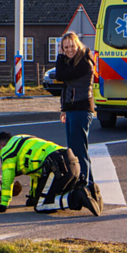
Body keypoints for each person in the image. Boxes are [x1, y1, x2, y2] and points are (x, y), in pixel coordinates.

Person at [0, 132, 102, 216]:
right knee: (49, 197)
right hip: (70, 161)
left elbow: (8, 180)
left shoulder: (8, 151)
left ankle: (77, 198)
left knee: (41, 206)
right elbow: (37, 174)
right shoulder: (22, 140)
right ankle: (90, 190)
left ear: (2, 144)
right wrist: (33, 197)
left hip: (57, 166)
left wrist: (3, 205)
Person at [56, 31, 96, 190]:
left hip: (81, 108)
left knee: (79, 150)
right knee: (73, 150)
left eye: (72, 46)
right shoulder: (71, 63)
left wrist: (60, 57)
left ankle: (87, 184)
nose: (69, 50)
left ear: (78, 45)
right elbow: (66, 88)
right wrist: (64, 110)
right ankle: (83, 182)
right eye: (65, 48)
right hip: (72, 109)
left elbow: (60, 76)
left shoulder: (84, 63)